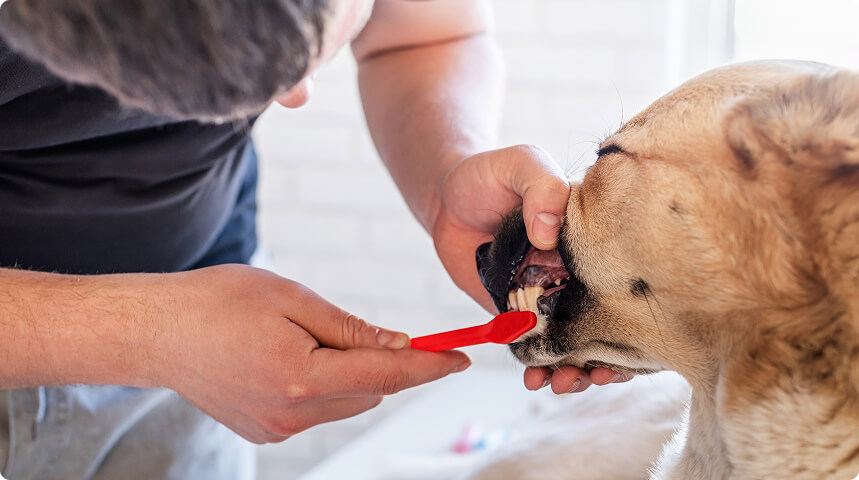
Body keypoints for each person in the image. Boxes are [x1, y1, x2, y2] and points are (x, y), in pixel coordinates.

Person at [0, 0, 627, 478]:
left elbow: (421, 32)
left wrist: (444, 177)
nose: (293, 95)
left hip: (206, 331)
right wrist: (150, 335)